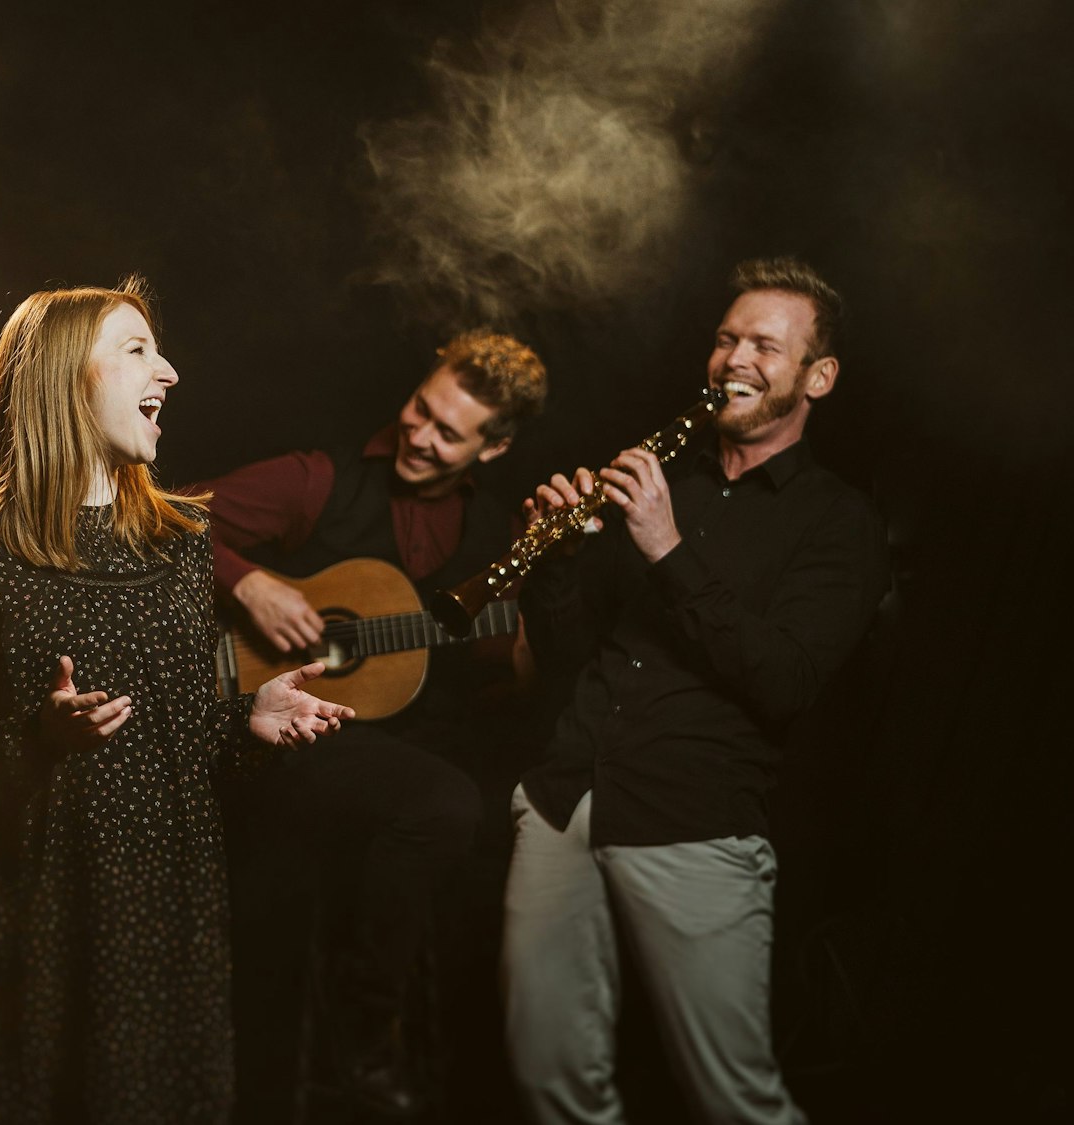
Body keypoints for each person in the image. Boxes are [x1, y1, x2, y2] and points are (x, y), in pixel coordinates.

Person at [0, 279, 355, 1125]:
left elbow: (180, 736)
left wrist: (246, 720)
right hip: (38, 910)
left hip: (164, 899)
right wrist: (41, 735)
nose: (170, 372)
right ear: (64, 376)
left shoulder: (181, 541)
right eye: (138, 350)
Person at [503, 257, 888, 1124]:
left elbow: (784, 680)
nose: (734, 359)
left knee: (734, 1099)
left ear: (818, 377)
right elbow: (569, 658)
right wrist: (555, 561)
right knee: (548, 1076)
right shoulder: (663, 483)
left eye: (764, 345)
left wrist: (668, 549)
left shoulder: (840, 523)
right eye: (725, 338)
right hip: (566, 802)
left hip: (694, 820)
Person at [197, 329, 548, 1118]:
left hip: (400, 752)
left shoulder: (494, 536)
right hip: (284, 736)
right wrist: (248, 582)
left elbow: (505, 676)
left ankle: (413, 1057)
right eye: (420, 408)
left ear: (493, 448)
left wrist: (534, 650)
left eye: (448, 433)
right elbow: (162, 516)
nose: (418, 435)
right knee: (441, 804)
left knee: (485, 811)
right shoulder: (318, 479)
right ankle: (361, 1036)